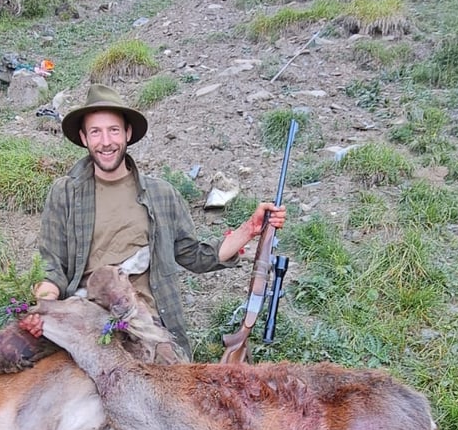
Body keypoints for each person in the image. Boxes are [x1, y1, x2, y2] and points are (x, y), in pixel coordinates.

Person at [19, 84, 286, 360]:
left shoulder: (161, 195)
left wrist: (249, 230)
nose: (106, 141)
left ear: (128, 133)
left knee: (168, 389)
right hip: (83, 313)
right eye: (96, 132)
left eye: (113, 130)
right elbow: (51, 266)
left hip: (145, 322)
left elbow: (193, 256)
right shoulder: (64, 193)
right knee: (8, 354)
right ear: (84, 138)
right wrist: (44, 306)